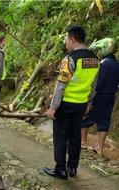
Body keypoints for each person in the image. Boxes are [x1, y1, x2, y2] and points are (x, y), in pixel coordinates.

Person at [44, 25, 99, 179]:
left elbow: (61, 85)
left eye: (67, 39)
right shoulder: (95, 59)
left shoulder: (70, 59)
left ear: (73, 39)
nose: (66, 43)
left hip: (66, 104)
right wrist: (88, 103)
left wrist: (53, 108)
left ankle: (60, 169)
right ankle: (72, 167)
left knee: (61, 136)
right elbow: (94, 84)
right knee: (75, 137)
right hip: (81, 104)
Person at [81, 38, 119, 155]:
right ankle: (100, 148)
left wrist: (90, 99)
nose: (99, 52)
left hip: (99, 95)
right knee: (104, 120)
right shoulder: (117, 63)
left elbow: (99, 83)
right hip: (111, 96)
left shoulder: (103, 64)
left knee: (87, 117)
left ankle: (83, 142)